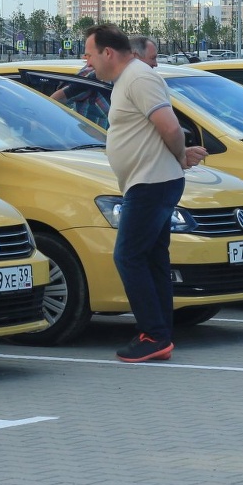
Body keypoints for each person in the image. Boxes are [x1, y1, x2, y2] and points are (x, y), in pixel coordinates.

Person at [83, 23, 206, 363]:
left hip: (151, 183)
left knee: (128, 256)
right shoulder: (128, 80)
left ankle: (153, 334)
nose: (86, 60)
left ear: (109, 52)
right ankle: (160, 332)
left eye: (90, 54)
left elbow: (169, 126)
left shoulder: (138, 78)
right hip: (148, 180)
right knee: (151, 258)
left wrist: (180, 155)